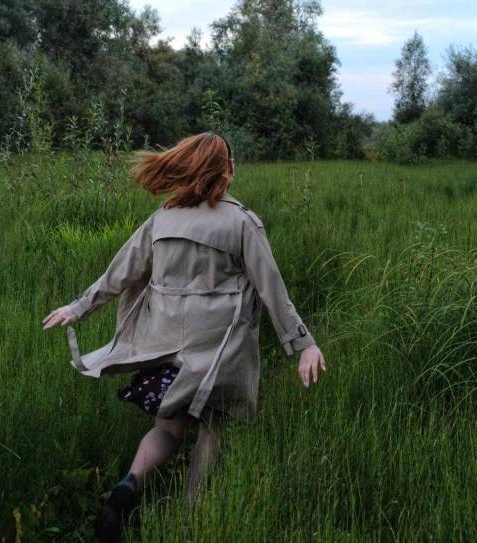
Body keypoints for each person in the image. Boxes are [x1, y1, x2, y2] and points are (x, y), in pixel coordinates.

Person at [43, 132, 326, 542]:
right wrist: (304, 343)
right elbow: (272, 288)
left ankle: (129, 486)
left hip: (165, 342)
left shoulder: (163, 218)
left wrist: (79, 306)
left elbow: (120, 271)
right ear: (226, 169)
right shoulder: (242, 222)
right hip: (221, 350)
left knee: (167, 429)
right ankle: (188, 520)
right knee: (214, 430)